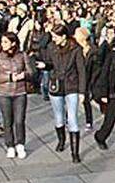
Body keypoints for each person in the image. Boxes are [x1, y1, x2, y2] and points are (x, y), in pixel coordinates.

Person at [36, 24, 86, 163]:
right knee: (58, 117)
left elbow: (81, 71)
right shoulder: (51, 47)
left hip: (71, 85)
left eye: (55, 36)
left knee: (72, 119)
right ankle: (61, 140)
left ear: (64, 36)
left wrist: (82, 91)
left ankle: (75, 153)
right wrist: (44, 66)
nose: (53, 39)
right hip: (56, 84)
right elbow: (50, 63)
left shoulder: (76, 49)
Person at [0, 33, 33, 159]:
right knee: (7, 121)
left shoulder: (22, 55)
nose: (3, 44)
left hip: (20, 92)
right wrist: (10, 77)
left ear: (13, 43)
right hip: (4, 93)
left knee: (19, 120)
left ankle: (20, 144)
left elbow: (31, 72)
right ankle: (10, 145)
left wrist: (25, 75)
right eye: (2, 42)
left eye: (6, 42)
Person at [74, 27, 101, 132]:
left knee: (85, 101)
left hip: (89, 79)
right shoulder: (76, 49)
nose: (75, 36)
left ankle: (89, 121)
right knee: (73, 99)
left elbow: (97, 68)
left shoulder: (93, 50)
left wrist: (93, 82)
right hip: (77, 78)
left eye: (77, 34)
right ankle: (69, 117)